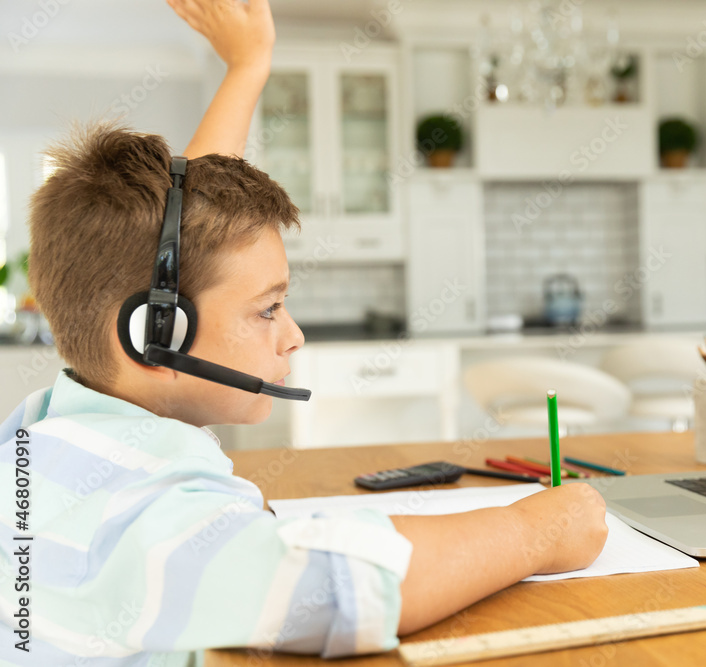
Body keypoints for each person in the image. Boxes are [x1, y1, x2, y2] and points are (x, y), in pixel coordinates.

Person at [0, 2, 608, 665]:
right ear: (157, 333)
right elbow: (343, 590)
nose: (292, 336)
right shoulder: (136, 523)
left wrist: (247, 66)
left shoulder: (48, 436)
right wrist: (539, 528)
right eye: (269, 308)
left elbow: (191, 246)